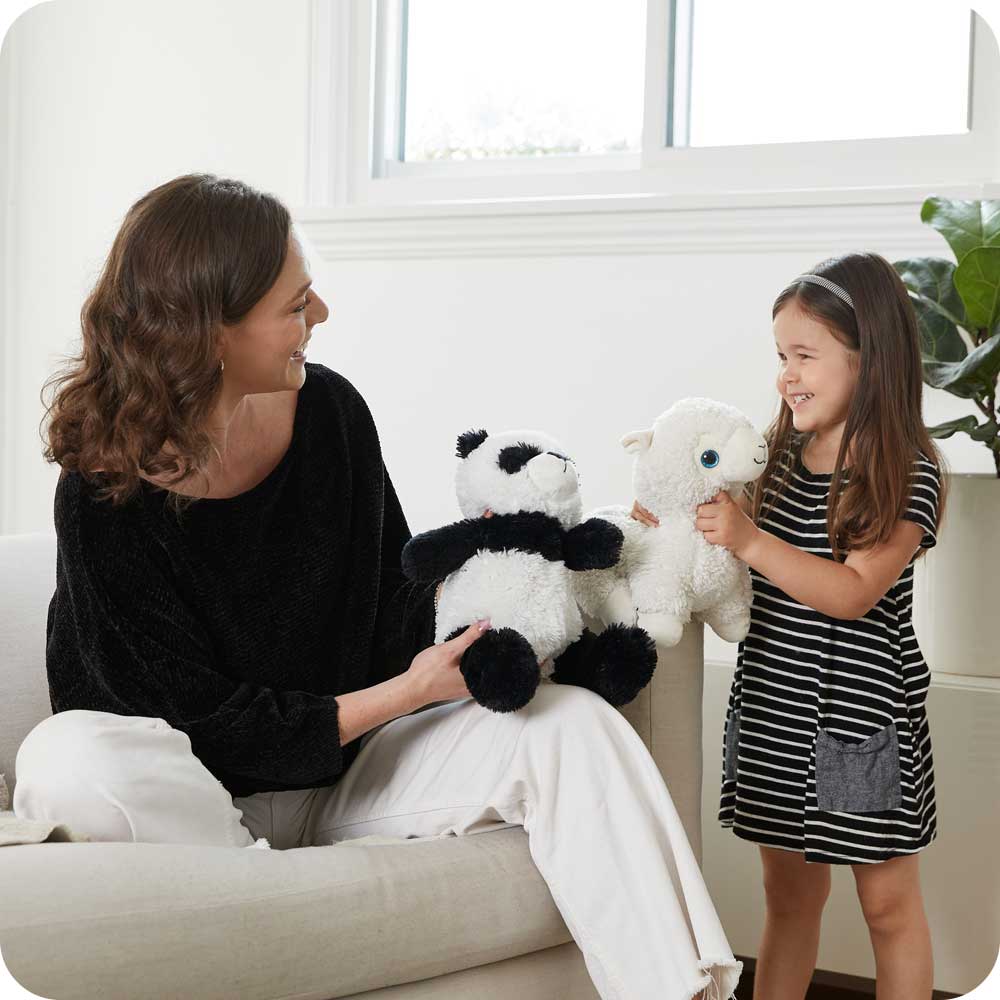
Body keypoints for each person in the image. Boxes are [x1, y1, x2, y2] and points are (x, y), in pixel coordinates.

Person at [15, 173, 741, 1000]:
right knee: (71, 752)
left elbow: (392, 600)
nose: (318, 315)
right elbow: (189, 724)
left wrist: (507, 611)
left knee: (568, 725)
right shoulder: (103, 491)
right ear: (212, 329)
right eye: (295, 304)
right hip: (195, 799)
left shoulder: (329, 413)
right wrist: (399, 695)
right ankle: (264, 904)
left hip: (349, 773)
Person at [633, 253, 946, 1000]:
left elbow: (852, 593)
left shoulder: (906, 472)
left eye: (805, 356)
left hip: (856, 727)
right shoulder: (769, 464)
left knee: (887, 905)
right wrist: (672, 534)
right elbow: (727, 566)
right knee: (790, 898)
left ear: (871, 361)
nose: (786, 375)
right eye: (781, 355)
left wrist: (749, 539)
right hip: (776, 711)